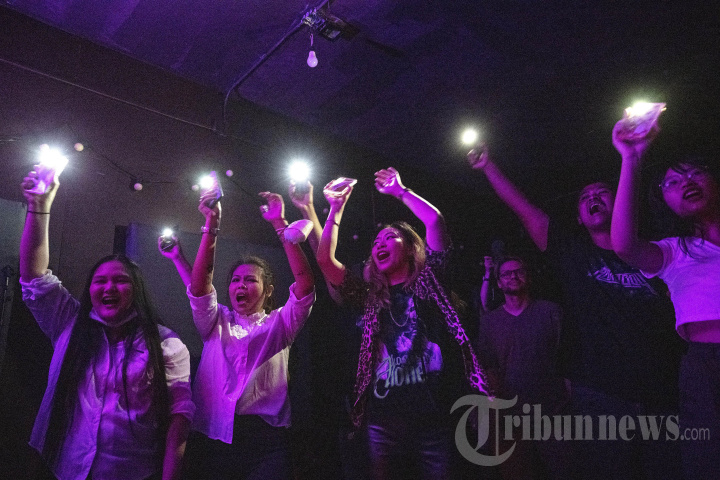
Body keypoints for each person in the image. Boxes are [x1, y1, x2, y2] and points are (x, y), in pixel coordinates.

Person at [468, 147, 684, 479]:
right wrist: (488, 166)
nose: (593, 198)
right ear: (579, 218)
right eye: (585, 197)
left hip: (663, 388)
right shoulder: (573, 253)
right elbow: (526, 212)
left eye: (602, 193)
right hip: (601, 393)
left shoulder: (657, 252)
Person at [19, 169, 194, 480]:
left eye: (120, 281)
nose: (109, 287)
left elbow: (178, 420)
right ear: (90, 289)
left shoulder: (167, 344)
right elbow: (34, 277)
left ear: (137, 290)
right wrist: (38, 205)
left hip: (130, 472)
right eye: (100, 281)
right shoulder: (69, 323)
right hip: (63, 467)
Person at [316, 167, 490, 479]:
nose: (380, 244)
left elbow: (434, 222)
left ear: (410, 247)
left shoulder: (430, 281)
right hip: (382, 424)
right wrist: (335, 209)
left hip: (434, 420)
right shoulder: (368, 296)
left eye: (390, 237)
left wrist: (400, 191)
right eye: (376, 241)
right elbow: (325, 261)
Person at [610, 122, 720, 480]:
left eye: (695, 172)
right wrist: (630, 158)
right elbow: (624, 245)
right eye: (672, 181)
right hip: (708, 367)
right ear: (665, 202)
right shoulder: (675, 251)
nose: (686, 182)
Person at [184, 188, 315, 479]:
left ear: (268, 290)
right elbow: (200, 286)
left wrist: (280, 225)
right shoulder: (216, 320)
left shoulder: (280, 323)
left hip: (266, 440)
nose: (240, 285)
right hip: (213, 435)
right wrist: (211, 224)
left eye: (250, 280)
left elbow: (305, 285)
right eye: (235, 280)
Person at [479, 256, 570, 479]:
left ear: (528, 276)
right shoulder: (490, 322)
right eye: (506, 273)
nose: (513, 276)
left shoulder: (550, 312)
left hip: (552, 410)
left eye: (518, 271)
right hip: (510, 414)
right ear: (499, 282)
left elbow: (566, 355)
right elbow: (488, 366)